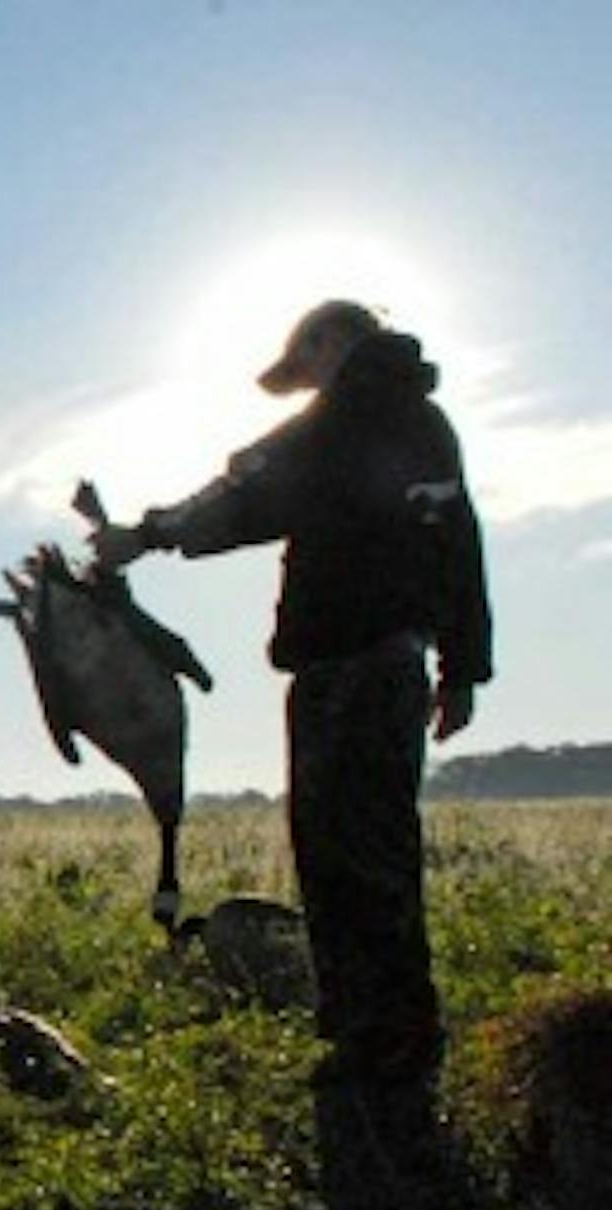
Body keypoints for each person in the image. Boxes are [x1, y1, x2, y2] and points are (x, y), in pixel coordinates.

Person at [92, 300, 493, 1083]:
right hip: (397, 664)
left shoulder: (337, 423)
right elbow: (460, 547)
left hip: (344, 668)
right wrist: (463, 666)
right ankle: (391, 1033)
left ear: (330, 340)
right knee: (380, 844)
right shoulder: (426, 424)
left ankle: (375, 1044)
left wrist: (140, 537)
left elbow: (244, 492)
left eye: (306, 362)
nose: (305, 380)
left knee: (340, 851)